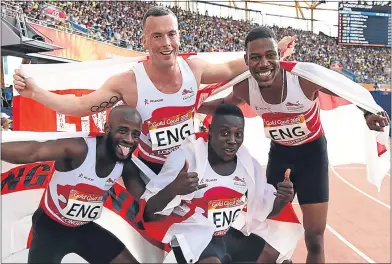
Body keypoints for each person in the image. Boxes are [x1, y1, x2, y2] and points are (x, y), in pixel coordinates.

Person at [13, 6, 295, 175]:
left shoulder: (193, 70)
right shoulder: (128, 82)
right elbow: (79, 106)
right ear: (145, 40)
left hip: (190, 164)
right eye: (157, 35)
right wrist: (35, 93)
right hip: (149, 170)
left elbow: (236, 66)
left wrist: (274, 52)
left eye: (171, 34)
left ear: (179, 36)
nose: (166, 42)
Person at [198, 27, 390, 263]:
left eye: (270, 55)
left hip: (312, 157)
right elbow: (222, 104)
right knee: (265, 234)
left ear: (278, 56)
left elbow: (343, 89)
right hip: (280, 156)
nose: (264, 63)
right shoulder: (244, 87)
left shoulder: (303, 79)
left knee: (315, 240)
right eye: (256, 58)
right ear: (246, 61)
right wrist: (190, 104)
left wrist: (367, 112)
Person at [141, 104, 296, 264]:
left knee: (277, 256)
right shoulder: (186, 159)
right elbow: (149, 213)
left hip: (223, 236)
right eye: (224, 133)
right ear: (210, 132)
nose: (232, 141)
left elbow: (263, 212)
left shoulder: (249, 167)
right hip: (191, 236)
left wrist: (282, 200)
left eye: (238, 134)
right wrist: (173, 189)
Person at [1, 105, 145, 264]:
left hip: (84, 229)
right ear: (107, 129)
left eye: (136, 134)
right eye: (123, 130)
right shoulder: (79, 149)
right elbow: (34, 152)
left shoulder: (126, 163)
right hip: (51, 226)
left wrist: (173, 197)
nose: (130, 139)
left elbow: (144, 199)